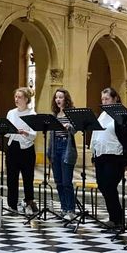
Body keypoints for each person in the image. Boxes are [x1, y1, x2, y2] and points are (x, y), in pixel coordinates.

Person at [90, 87, 127, 232]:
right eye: (102, 99)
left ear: (115, 98)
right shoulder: (103, 115)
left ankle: (116, 218)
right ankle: (115, 217)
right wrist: (94, 154)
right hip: (101, 156)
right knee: (102, 185)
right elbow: (96, 135)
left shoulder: (122, 114)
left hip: (115, 156)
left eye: (107, 99)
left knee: (109, 185)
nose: (104, 102)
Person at [5, 87, 38, 215]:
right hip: (12, 147)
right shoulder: (11, 113)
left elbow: (34, 135)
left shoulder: (32, 114)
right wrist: (7, 130)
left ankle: (29, 203)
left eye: (19, 97)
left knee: (28, 178)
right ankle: (12, 206)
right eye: (15, 97)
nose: (16, 99)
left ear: (26, 99)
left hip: (27, 148)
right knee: (11, 178)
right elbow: (7, 133)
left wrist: (25, 132)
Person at [48, 88, 78, 221]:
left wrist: (69, 127)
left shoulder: (71, 113)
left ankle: (71, 209)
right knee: (58, 181)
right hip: (55, 147)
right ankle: (64, 208)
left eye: (60, 97)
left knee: (67, 181)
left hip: (67, 146)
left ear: (66, 99)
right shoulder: (54, 115)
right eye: (56, 97)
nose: (58, 100)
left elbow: (75, 129)